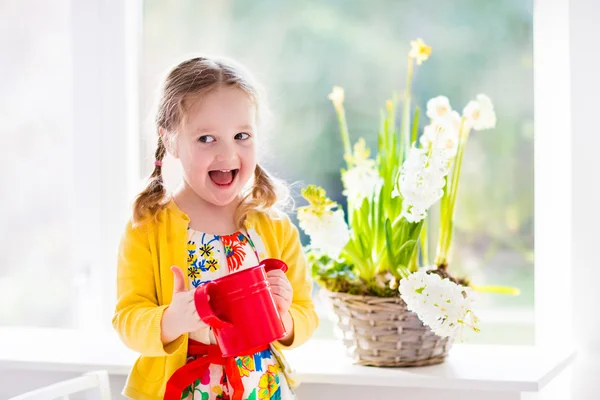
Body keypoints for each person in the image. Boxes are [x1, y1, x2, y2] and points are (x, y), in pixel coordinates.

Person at [112, 56, 319, 400]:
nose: (227, 153)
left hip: (262, 387)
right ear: (171, 140)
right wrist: (171, 320)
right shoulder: (146, 228)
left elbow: (306, 312)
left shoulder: (275, 227)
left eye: (241, 136)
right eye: (206, 138)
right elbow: (127, 319)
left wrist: (284, 318)